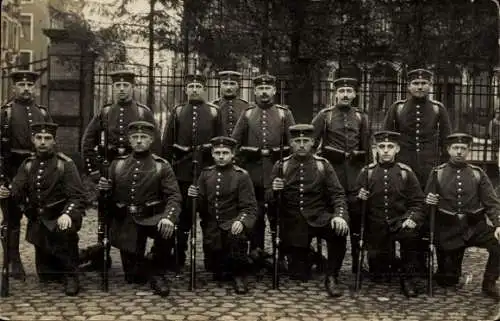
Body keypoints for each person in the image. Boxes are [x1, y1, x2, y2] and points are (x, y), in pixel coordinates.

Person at [80, 70, 162, 270]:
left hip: (137, 170)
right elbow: (87, 142)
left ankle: (134, 252)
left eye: (126, 86)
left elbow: (157, 146)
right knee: (106, 214)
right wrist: (95, 172)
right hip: (110, 172)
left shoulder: (144, 112)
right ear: (113, 88)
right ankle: (102, 256)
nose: (122, 89)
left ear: (133, 88)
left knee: (133, 212)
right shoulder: (105, 112)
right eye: (118, 86)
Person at [97, 121, 181, 297]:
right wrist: (104, 190)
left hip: (152, 217)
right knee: (134, 277)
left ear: (151, 140)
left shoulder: (161, 165)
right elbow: (107, 200)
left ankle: (157, 270)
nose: (139, 141)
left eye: (143, 137)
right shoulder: (117, 165)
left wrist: (168, 217)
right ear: (129, 140)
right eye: (135, 137)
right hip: (126, 221)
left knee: (166, 230)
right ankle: (147, 265)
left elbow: (174, 196)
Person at [0, 122, 85, 296]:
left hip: (59, 221)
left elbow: (78, 196)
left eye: (48, 138)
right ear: (33, 140)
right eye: (39, 138)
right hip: (39, 224)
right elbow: (16, 191)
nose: (43, 142)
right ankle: (86, 256)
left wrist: (67, 214)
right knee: (47, 276)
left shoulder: (65, 164)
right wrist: (5, 192)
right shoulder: (28, 165)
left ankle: (72, 275)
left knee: (65, 258)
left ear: (54, 141)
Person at [269, 124, 349, 297]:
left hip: (319, 216)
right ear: (291, 143)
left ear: (313, 142)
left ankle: (332, 276)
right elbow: (268, 199)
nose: (302, 145)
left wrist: (339, 216)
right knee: (299, 275)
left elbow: (338, 194)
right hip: (294, 222)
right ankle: (313, 257)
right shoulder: (281, 165)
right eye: (298, 141)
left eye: (306, 141)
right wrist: (275, 190)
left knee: (339, 232)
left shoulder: (323, 165)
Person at [422, 133, 500, 300]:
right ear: (448, 150)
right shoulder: (438, 173)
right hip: (448, 230)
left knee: (499, 242)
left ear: (469, 151)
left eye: (463, 148)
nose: (459, 152)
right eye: (455, 148)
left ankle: (489, 283)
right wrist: (429, 202)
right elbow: (427, 205)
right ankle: (447, 271)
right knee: (448, 280)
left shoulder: (478, 174)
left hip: (473, 227)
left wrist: (498, 224)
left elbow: (491, 203)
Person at [162, 72, 223, 269]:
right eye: (191, 87)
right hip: (183, 172)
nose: (194, 90)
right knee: (183, 217)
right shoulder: (178, 112)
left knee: (209, 215)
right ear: (185, 89)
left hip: (208, 172)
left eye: (198, 86)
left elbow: (221, 143)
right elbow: (167, 145)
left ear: (204, 89)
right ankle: (178, 256)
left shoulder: (214, 112)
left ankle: (212, 258)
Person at [232, 73, 295, 262]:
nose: (264, 92)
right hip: (253, 175)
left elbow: (293, 145)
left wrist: (279, 154)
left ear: (274, 91)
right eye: (260, 88)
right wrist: (247, 153)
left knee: (280, 215)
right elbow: (234, 143)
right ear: (255, 91)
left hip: (278, 174)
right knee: (256, 216)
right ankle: (256, 251)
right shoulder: (248, 113)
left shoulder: (285, 113)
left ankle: (282, 253)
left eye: (268, 88)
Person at [355, 130, 425, 297]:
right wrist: (359, 198)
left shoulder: (405, 172)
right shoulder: (367, 172)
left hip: (400, 222)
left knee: (410, 236)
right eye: (381, 146)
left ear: (397, 149)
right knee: (379, 275)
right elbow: (352, 202)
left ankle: (407, 278)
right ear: (375, 149)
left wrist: (411, 218)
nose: (386, 150)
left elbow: (418, 202)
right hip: (375, 224)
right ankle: (390, 265)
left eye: (390, 146)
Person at [311, 77, 369, 274]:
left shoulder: (361, 117)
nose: (345, 94)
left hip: (354, 177)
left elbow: (367, 150)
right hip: (331, 175)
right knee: (331, 217)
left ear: (355, 94)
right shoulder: (325, 116)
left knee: (355, 216)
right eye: (342, 90)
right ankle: (328, 261)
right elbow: (311, 143)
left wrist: (366, 178)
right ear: (335, 93)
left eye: (349, 91)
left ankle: (356, 261)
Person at [187, 136, 257, 294]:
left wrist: (241, 221)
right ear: (212, 153)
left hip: (233, 225)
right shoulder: (206, 175)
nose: (221, 156)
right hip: (212, 228)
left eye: (225, 153)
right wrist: (193, 196)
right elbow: (200, 206)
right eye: (217, 152)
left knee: (236, 246)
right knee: (216, 271)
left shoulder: (241, 176)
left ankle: (240, 275)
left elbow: (250, 207)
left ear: (233, 155)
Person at [0, 70, 52, 281]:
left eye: (29, 85)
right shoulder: (6, 113)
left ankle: (46, 261)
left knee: (41, 215)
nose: (26, 89)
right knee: (12, 219)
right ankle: (12, 260)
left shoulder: (43, 113)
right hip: (12, 171)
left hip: (37, 170)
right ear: (14, 88)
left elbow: (50, 146)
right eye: (21, 85)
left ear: (35, 88)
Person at [212, 71, 249, 137]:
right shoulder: (214, 106)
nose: (228, 87)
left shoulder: (245, 106)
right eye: (225, 83)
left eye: (232, 84)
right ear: (220, 85)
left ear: (238, 86)